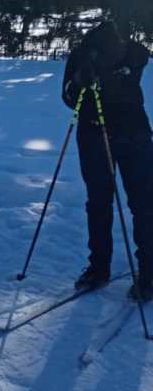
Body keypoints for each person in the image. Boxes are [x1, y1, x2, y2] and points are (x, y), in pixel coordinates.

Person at [62, 21, 153, 301]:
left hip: (132, 134)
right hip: (95, 132)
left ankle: (147, 272)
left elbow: (140, 58)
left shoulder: (133, 52)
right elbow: (68, 96)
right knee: (102, 201)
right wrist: (80, 81)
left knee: (141, 201)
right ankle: (100, 267)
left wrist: (117, 71)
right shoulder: (81, 56)